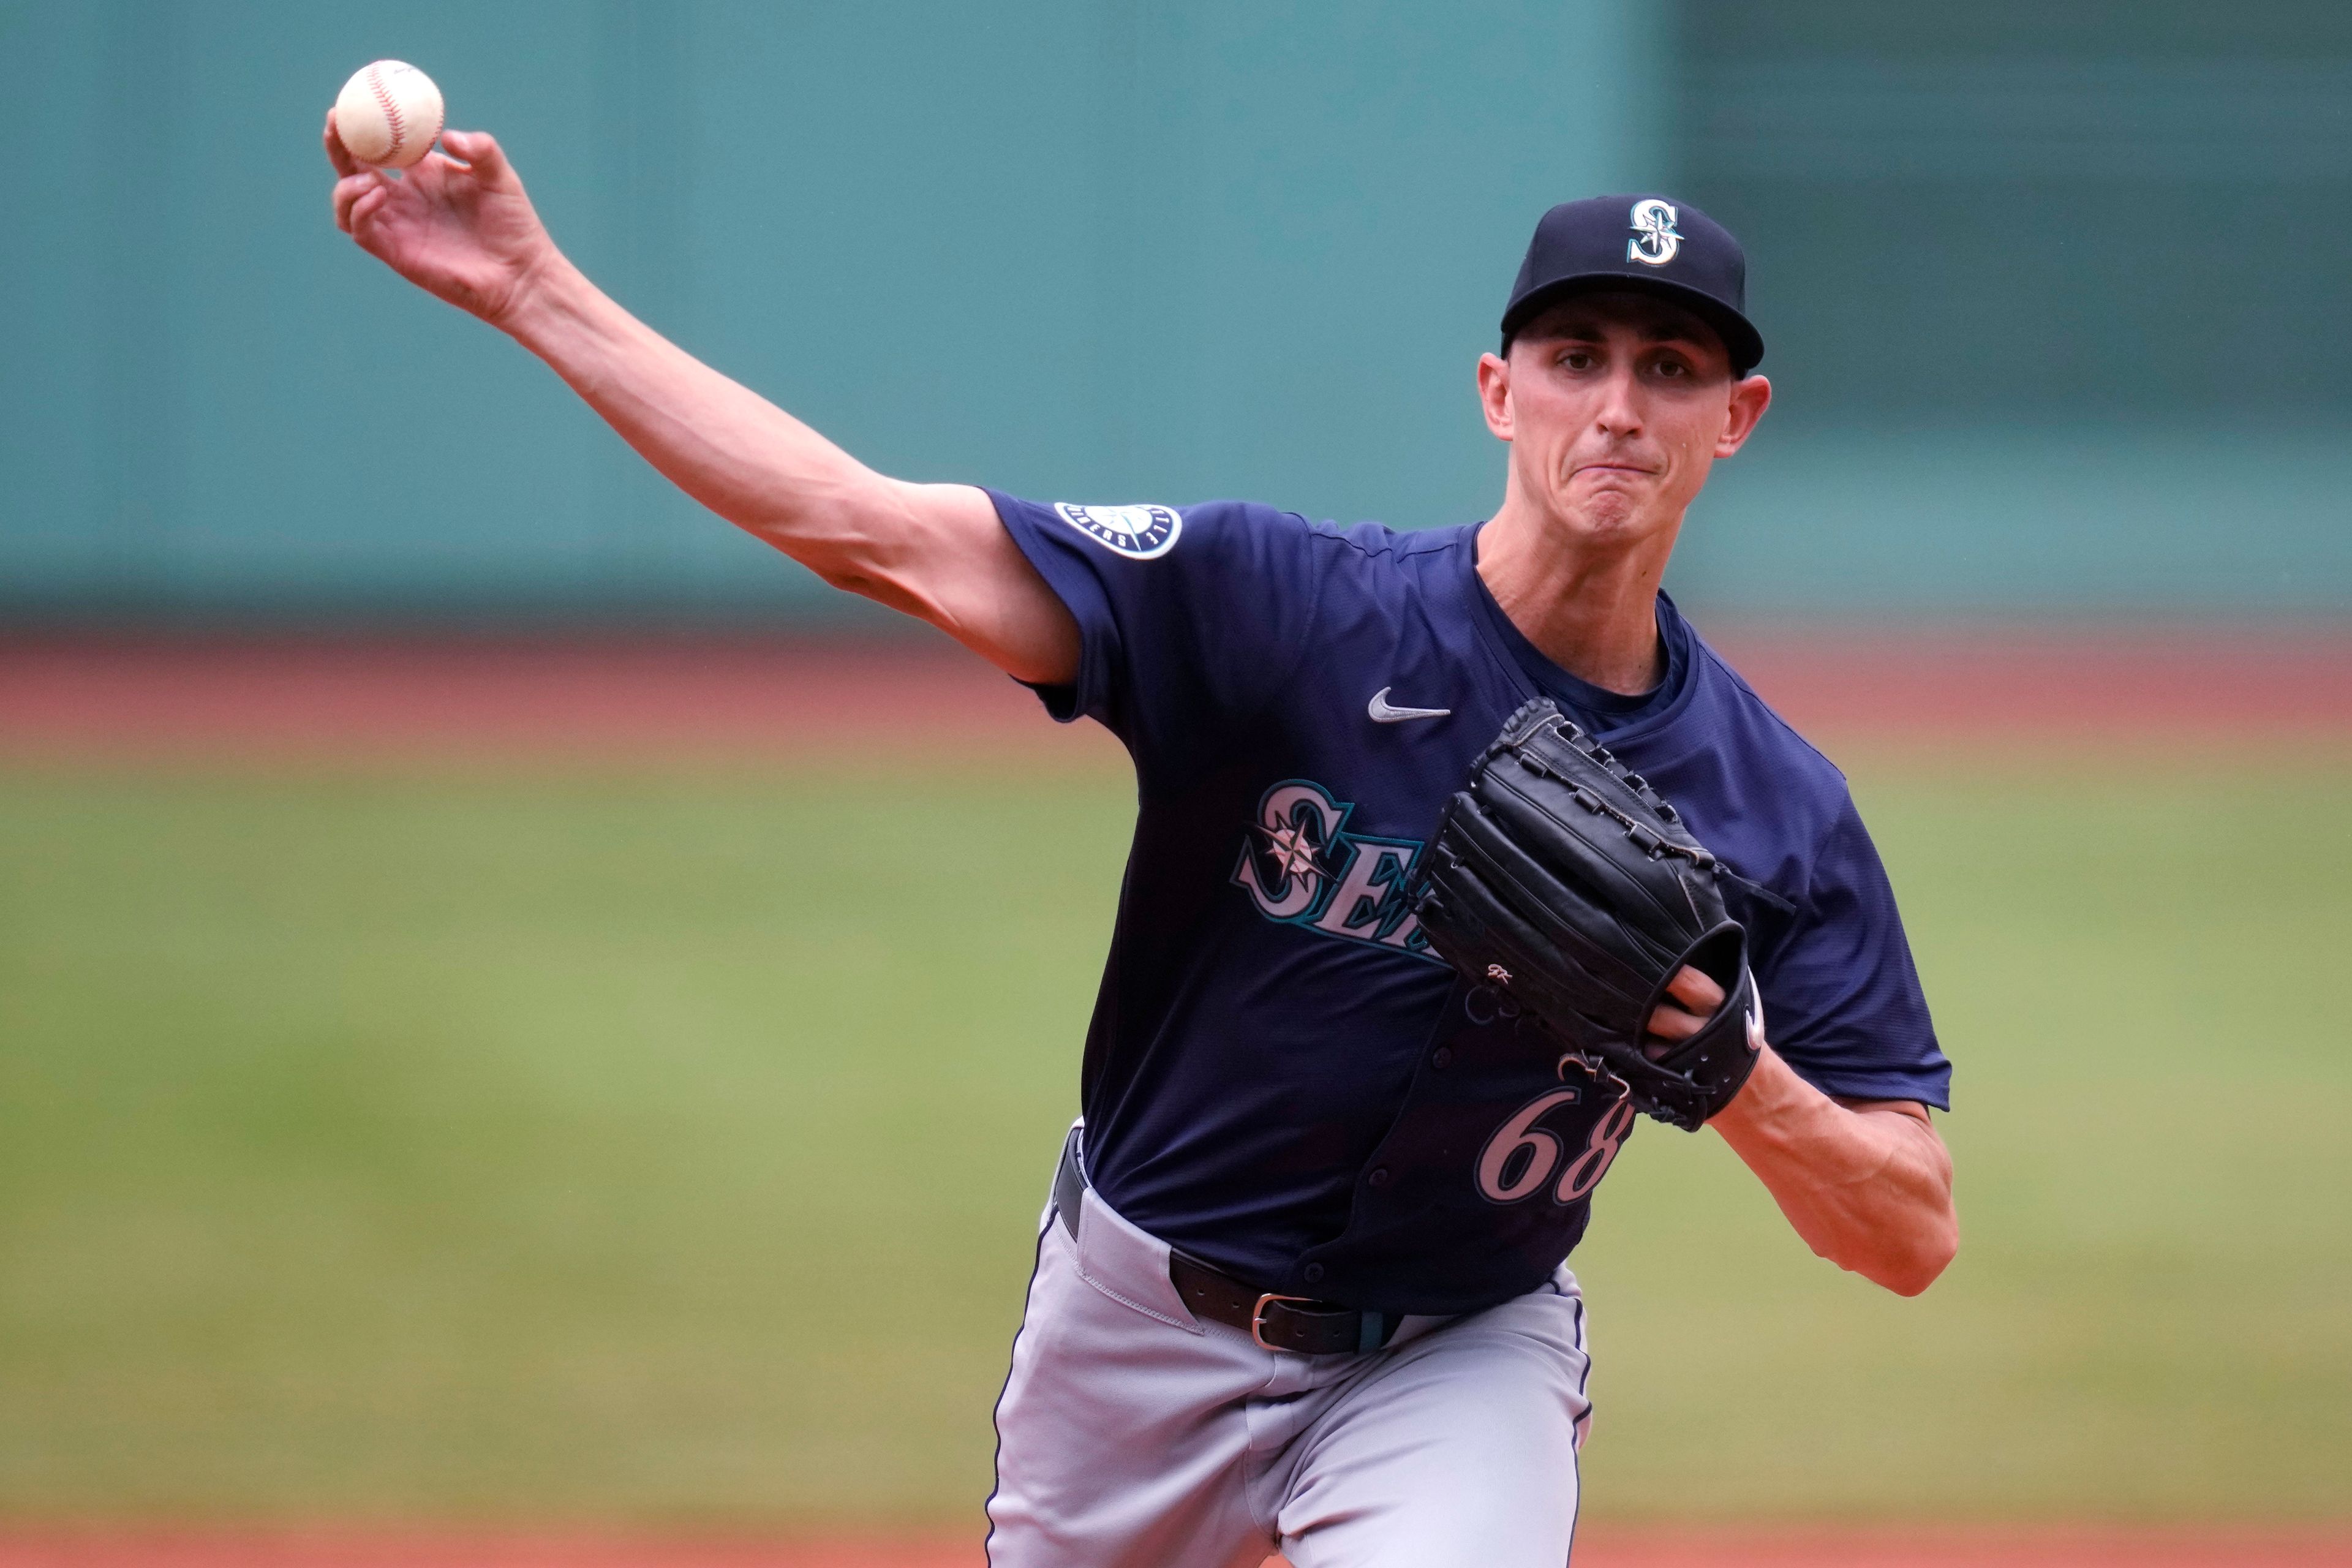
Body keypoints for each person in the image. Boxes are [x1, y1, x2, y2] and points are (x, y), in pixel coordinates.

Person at [327, 118, 1957, 1568]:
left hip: (1461, 1349)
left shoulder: (1772, 805)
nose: (1620, 405)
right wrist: (536, 292)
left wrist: (1734, 1070)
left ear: (1737, 416)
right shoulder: (1281, 609)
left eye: (1672, 369)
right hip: (1139, 1325)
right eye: (1579, 355)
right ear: (1498, 389)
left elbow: (1906, 1231)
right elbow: (863, 526)